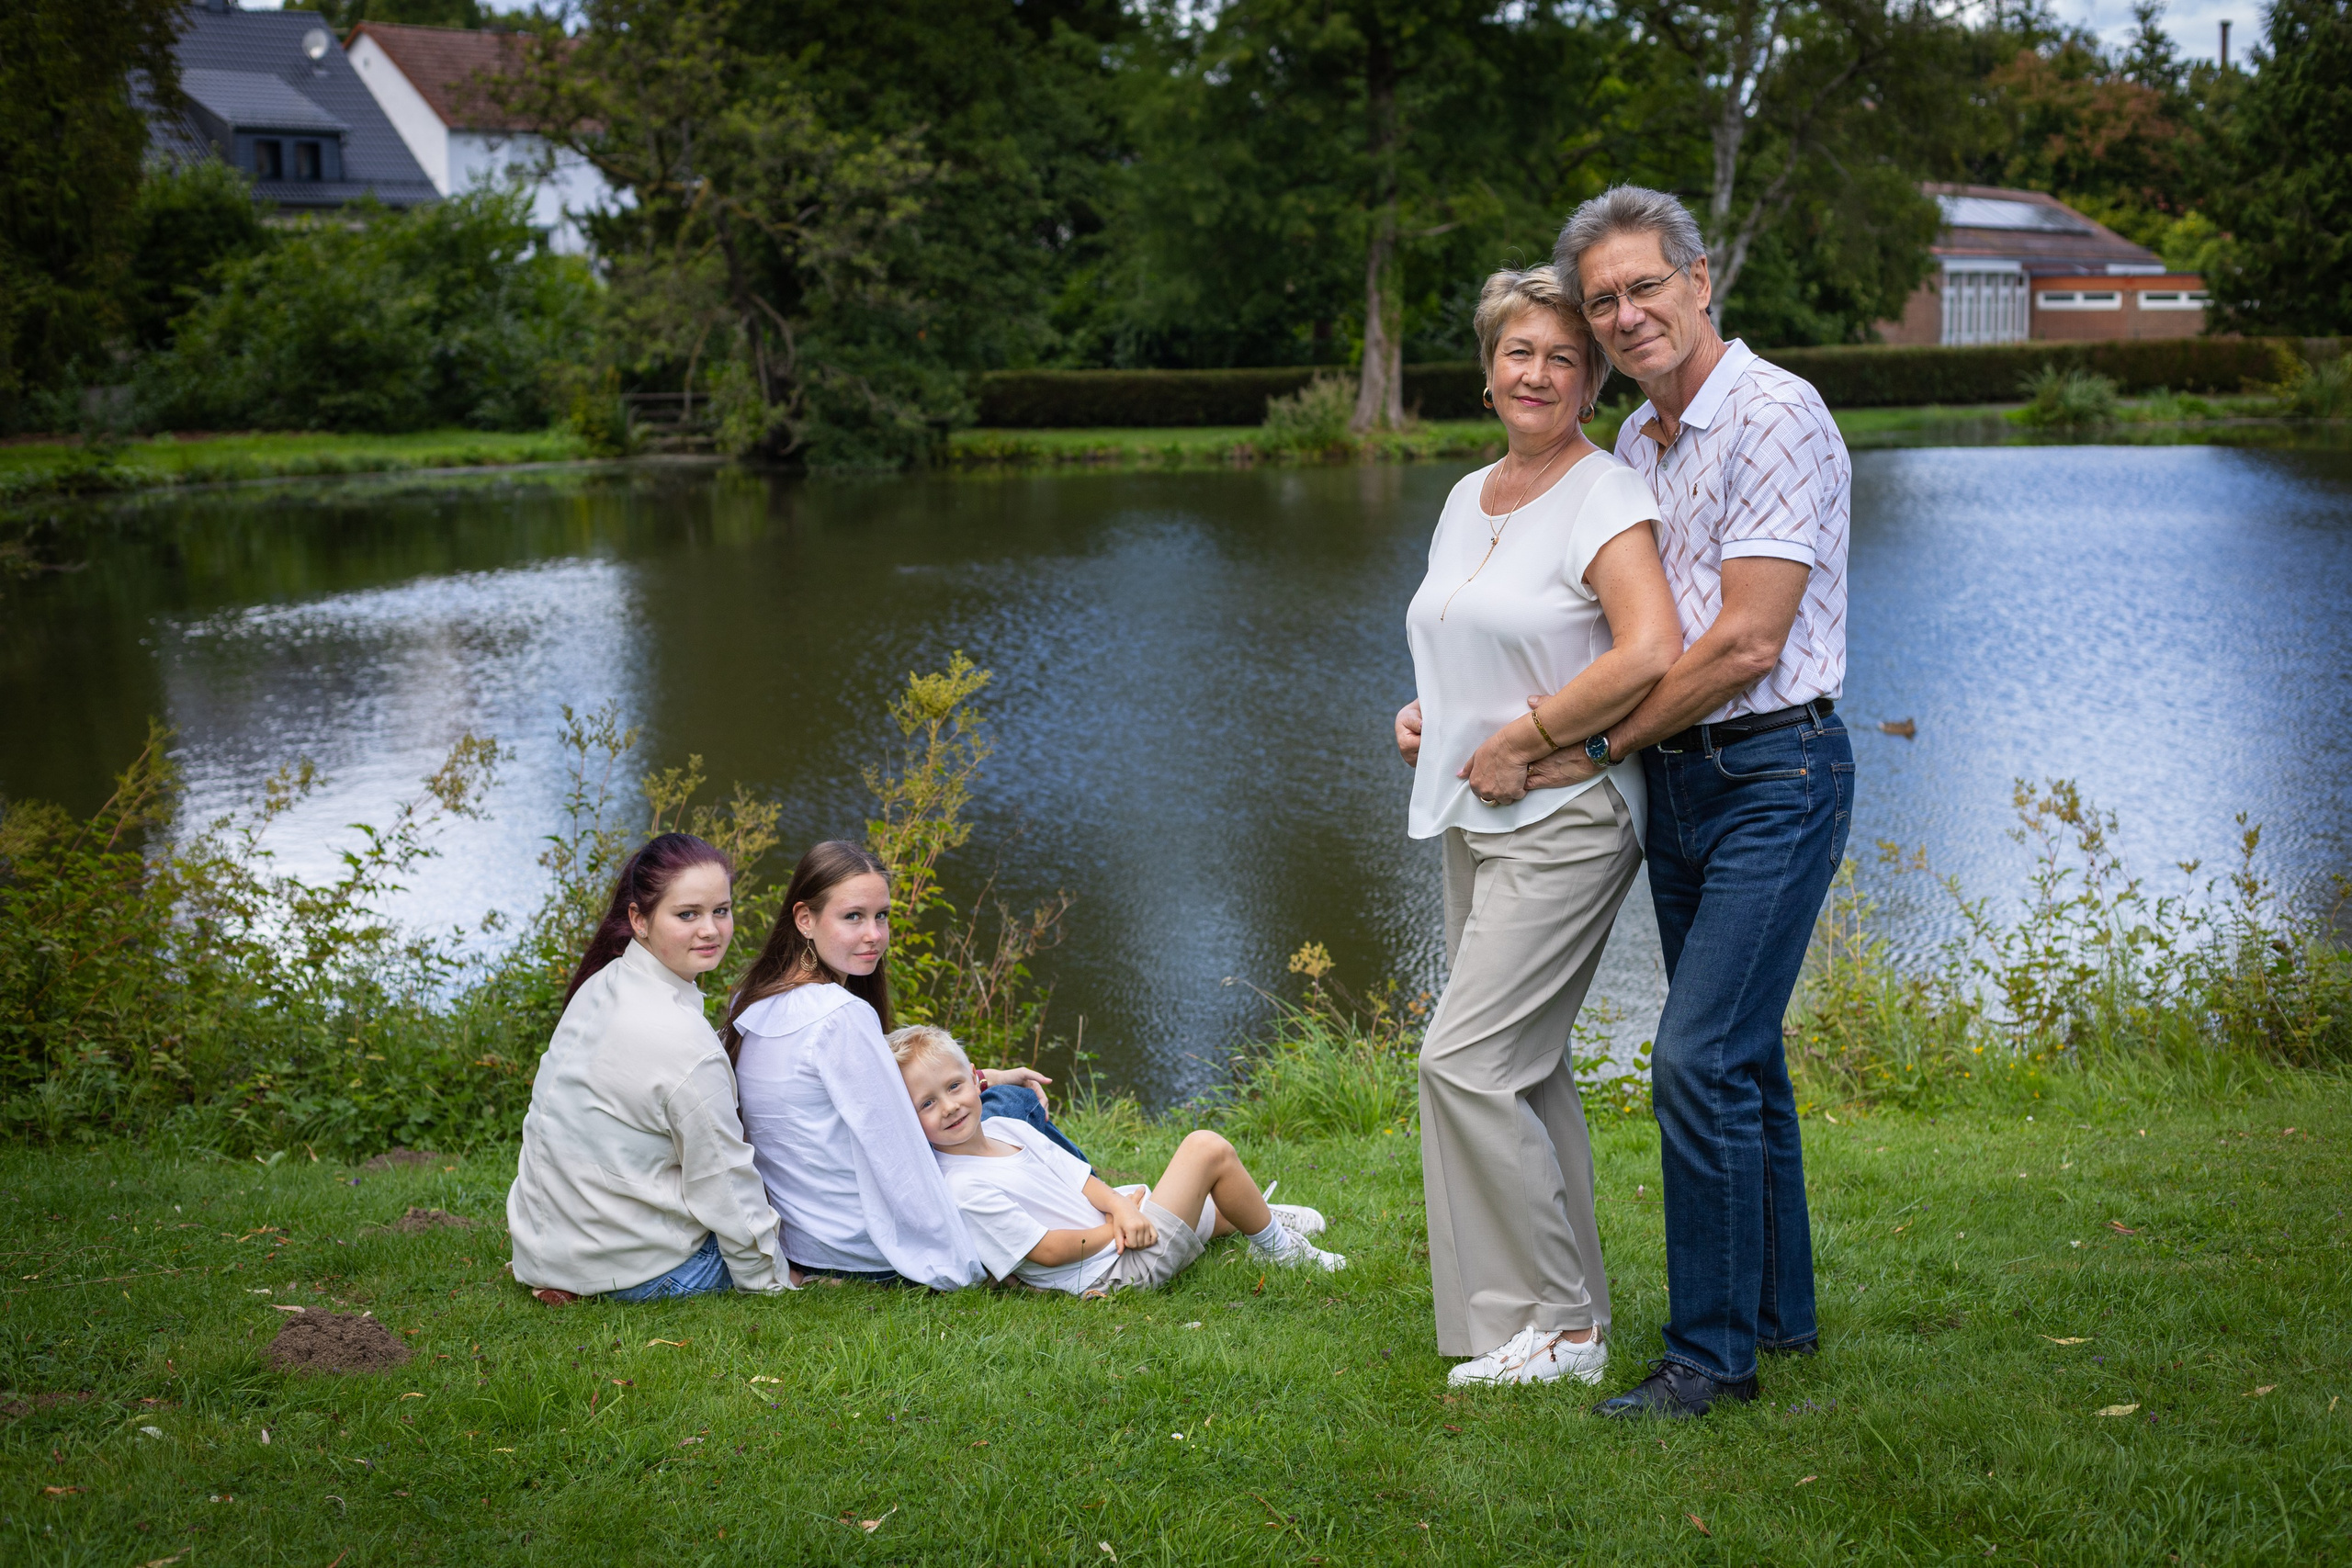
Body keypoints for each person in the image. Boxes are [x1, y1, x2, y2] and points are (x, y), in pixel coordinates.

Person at [1536, 186, 1856, 1419]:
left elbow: (1744, 645)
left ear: (1700, 279)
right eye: (1604, 298)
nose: (1624, 314)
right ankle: (1781, 1315)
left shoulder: (1771, 413)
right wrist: (1473, 717)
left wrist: (1596, 737)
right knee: (1745, 1055)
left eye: (1644, 287)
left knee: (1696, 1055)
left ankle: (1709, 1357)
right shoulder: (1636, 445)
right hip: (1683, 780)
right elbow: (1624, 631)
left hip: (1775, 771)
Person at [1393, 265, 1684, 1389]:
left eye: (1567, 358)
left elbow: (1647, 650)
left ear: (1593, 381)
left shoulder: (1605, 496)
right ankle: (1533, 1317)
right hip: (1476, 810)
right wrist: (1433, 711)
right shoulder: (1469, 495)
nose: (1541, 373)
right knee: (1525, 1063)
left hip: (1568, 815)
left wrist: (1526, 740)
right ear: (1487, 368)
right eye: (1522, 352)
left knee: (1462, 1062)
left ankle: (1561, 1329)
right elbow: (1467, 632)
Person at [723, 840, 1075, 1289]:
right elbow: (898, 1148)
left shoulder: (753, 1002)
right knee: (1012, 1106)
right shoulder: (839, 1016)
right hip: (864, 1246)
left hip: (805, 1238)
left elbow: (871, 1098)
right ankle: (1090, 1217)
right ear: (805, 919)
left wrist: (983, 1077)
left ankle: (1085, 1203)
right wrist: (958, 1262)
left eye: (881, 915)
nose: (874, 934)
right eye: (853, 916)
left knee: (993, 1095)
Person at [507, 832, 788, 1304]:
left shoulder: (602, 983)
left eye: (721, 910)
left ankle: (575, 1282)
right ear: (639, 919)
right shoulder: (683, 1042)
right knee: (795, 1219)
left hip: (546, 1250)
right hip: (635, 1269)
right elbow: (723, 1180)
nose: (711, 930)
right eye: (687, 914)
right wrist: (774, 1281)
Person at [894, 1024, 1342, 1295]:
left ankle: (1256, 1219)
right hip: (1112, 1270)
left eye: (954, 1087)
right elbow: (1047, 1250)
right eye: (926, 1104)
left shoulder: (1002, 1128)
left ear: (978, 1082)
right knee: (1205, 1149)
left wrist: (1123, 1206)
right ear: (909, 1120)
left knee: (1199, 1202)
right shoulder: (961, 1186)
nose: (949, 1107)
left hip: (1118, 1234)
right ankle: (1282, 1252)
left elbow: (1080, 1178)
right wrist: (1119, 1227)